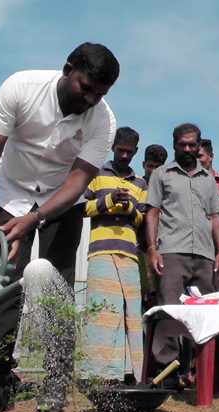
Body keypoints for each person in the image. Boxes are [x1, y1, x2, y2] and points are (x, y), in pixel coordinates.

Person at [0, 42, 120, 412]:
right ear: (67, 69)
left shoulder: (103, 120)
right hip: (9, 193)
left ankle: (56, 382)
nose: (90, 99)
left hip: (60, 201)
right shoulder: (21, 87)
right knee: (5, 286)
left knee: (58, 288)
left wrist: (36, 218)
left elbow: (78, 180)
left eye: (100, 93)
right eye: (85, 87)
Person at [145, 123, 219, 385]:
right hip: (171, 252)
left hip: (204, 255)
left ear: (199, 145)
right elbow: (152, 212)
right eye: (183, 144)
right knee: (169, 314)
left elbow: (215, 217)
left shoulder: (208, 179)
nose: (188, 149)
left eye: (192, 145)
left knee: (205, 317)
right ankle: (167, 376)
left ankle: (203, 375)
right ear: (174, 145)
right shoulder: (161, 174)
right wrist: (153, 249)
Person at [80, 127, 146, 384]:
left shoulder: (140, 183)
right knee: (103, 312)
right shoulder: (96, 175)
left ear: (136, 152)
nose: (125, 156)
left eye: (130, 152)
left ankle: (130, 373)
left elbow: (141, 219)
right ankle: (99, 373)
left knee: (131, 314)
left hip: (129, 254)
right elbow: (81, 208)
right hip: (101, 251)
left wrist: (128, 208)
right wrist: (108, 201)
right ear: (112, 148)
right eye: (121, 150)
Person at [137, 144, 168, 308]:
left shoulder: (169, 189)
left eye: (158, 167)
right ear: (143, 165)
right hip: (141, 250)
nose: (153, 170)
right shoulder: (136, 185)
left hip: (165, 250)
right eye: (150, 166)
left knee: (163, 297)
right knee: (143, 296)